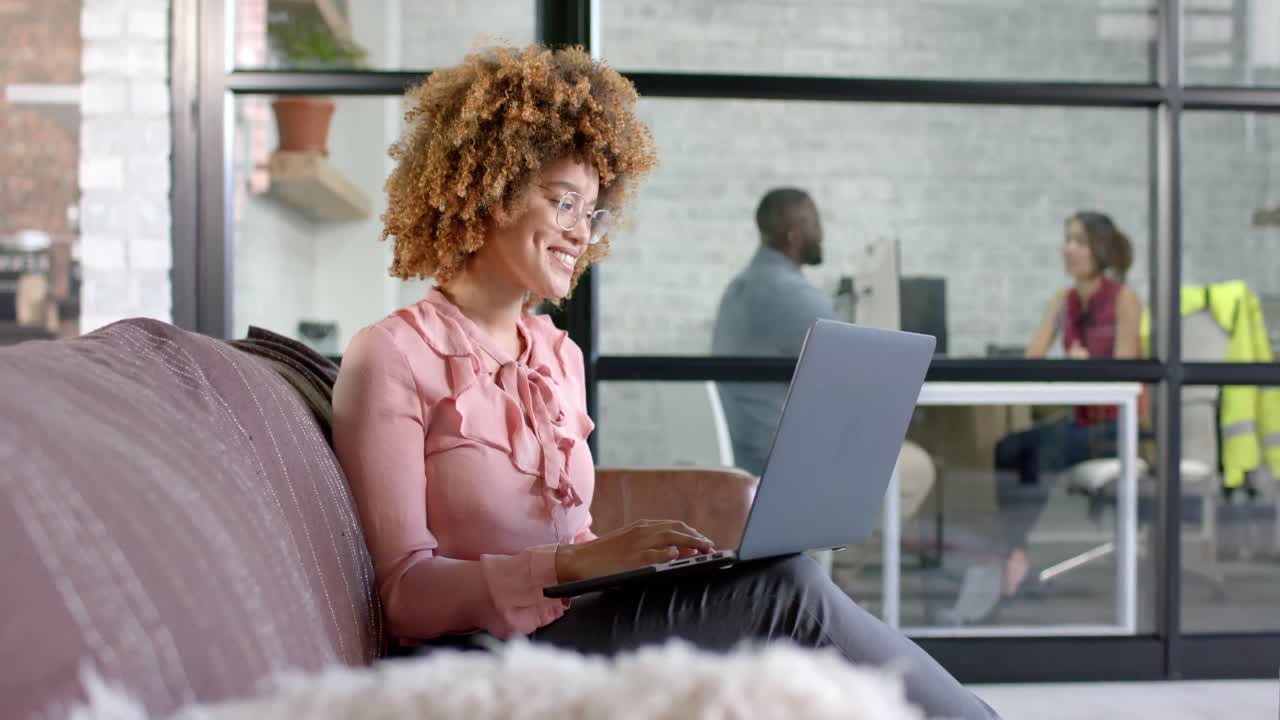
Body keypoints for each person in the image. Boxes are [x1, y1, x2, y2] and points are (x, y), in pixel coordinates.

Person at [331, 44, 998, 719]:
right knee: (786, 590)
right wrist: (574, 567)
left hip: (571, 627)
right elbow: (406, 594)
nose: (580, 235)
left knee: (769, 579)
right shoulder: (391, 357)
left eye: (592, 214)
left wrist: (645, 568)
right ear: (486, 187)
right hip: (477, 655)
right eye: (563, 203)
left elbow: (569, 537)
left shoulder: (556, 356)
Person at [944, 212, 1141, 623]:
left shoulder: (1123, 299)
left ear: (1100, 250)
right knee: (1009, 446)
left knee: (1045, 449)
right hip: (1083, 423)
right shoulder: (1062, 302)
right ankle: (1013, 551)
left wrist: (1087, 363)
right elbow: (1033, 359)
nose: (1068, 249)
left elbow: (1129, 369)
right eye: (1067, 240)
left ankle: (1007, 556)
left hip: (1119, 424)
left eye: (1079, 241)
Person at [711, 188, 834, 476]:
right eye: (815, 222)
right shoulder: (792, 295)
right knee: (914, 466)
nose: (821, 232)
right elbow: (849, 373)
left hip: (741, 453)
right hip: (778, 459)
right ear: (794, 235)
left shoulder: (738, 287)